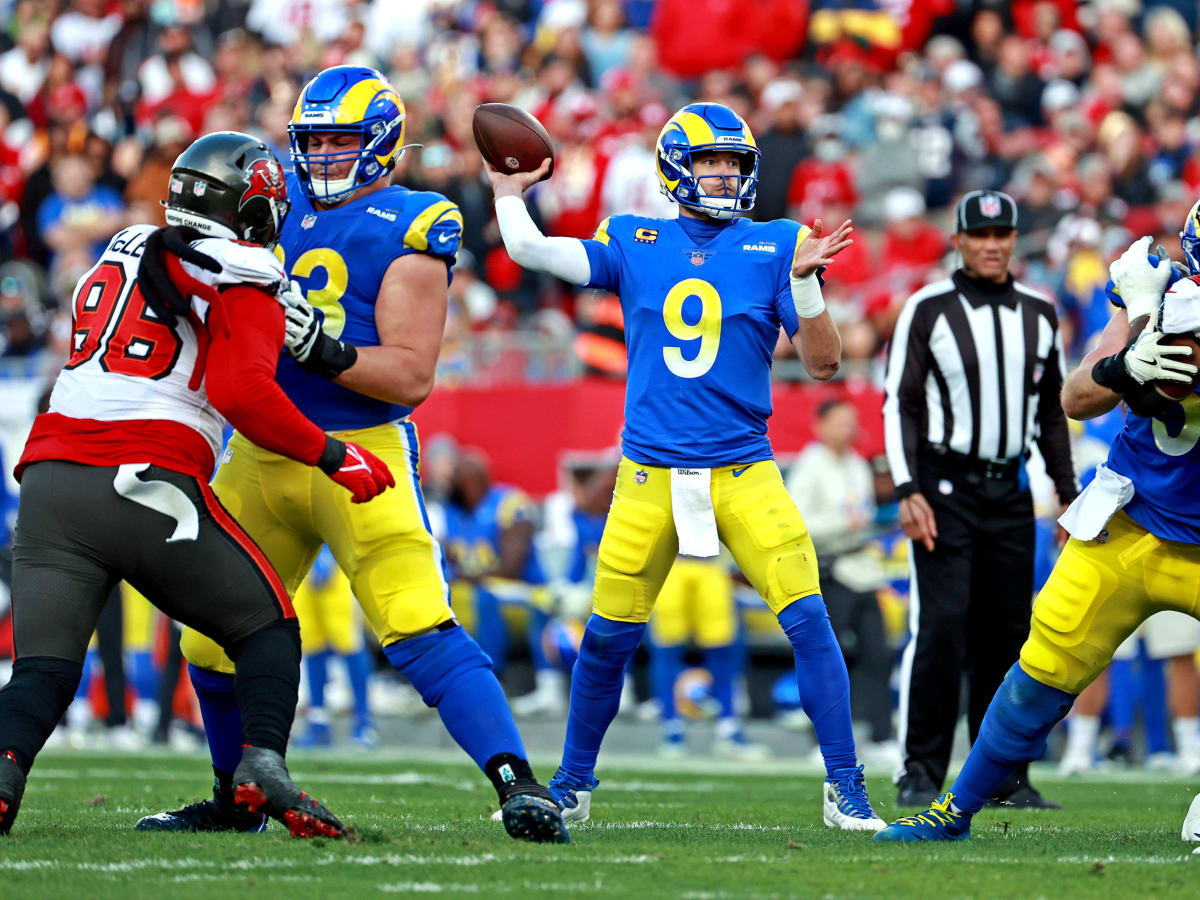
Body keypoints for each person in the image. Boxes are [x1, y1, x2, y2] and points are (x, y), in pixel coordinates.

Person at [137, 66, 568, 844]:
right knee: (205, 630)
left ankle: (518, 784)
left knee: (414, 622)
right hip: (262, 446)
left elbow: (410, 374)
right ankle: (235, 800)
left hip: (356, 446)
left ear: (383, 145)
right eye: (314, 141)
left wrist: (321, 349)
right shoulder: (270, 199)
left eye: (342, 140)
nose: (326, 155)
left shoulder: (415, 219)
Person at [487, 101, 885, 831]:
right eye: (710, 160)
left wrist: (803, 283)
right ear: (676, 168)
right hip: (650, 474)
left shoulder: (777, 243)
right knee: (607, 636)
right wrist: (509, 195)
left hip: (744, 468)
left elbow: (825, 365)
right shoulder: (635, 238)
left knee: (809, 619)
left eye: (735, 162)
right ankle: (573, 782)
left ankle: (844, 786)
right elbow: (537, 254)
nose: (725, 174)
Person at [0, 130, 395, 837]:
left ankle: (4, 776)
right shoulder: (244, 266)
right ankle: (259, 769)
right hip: (142, 476)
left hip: (51, 478)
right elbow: (242, 393)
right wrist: (334, 455)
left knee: (43, 671)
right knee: (266, 626)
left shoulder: (124, 243)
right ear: (250, 207)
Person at [872, 217, 1200, 844]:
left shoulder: (1156, 302)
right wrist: (1123, 362)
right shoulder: (1159, 293)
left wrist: (1141, 321)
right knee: (1040, 669)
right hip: (1131, 528)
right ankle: (957, 809)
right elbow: (1075, 397)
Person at [882, 189, 1076, 809]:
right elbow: (900, 403)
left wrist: (1069, 497)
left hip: (1011, 490)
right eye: (980, 235)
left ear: (1015, 240)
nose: (993, 245)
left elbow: (1051, 413)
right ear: (958, 240)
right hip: (944, 487)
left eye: (1003, 234)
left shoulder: (1040, 312)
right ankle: (920, 769)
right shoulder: (928, 307)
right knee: (940, 628)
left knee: (1009, 637)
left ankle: (1002, 775)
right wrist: (908, 488)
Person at [787, 398, 895, 760]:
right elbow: (797, 523)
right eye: (839, 421)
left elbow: (864, 513)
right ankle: (820, 741)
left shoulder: (857, 465)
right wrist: (842, 524)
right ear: (821, 425)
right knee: (827, 658)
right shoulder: (809, 465)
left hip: (862, 568)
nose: (847, 428)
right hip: (829, 571)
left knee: (878, 655)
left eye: (851, 421)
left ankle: (882, 736)